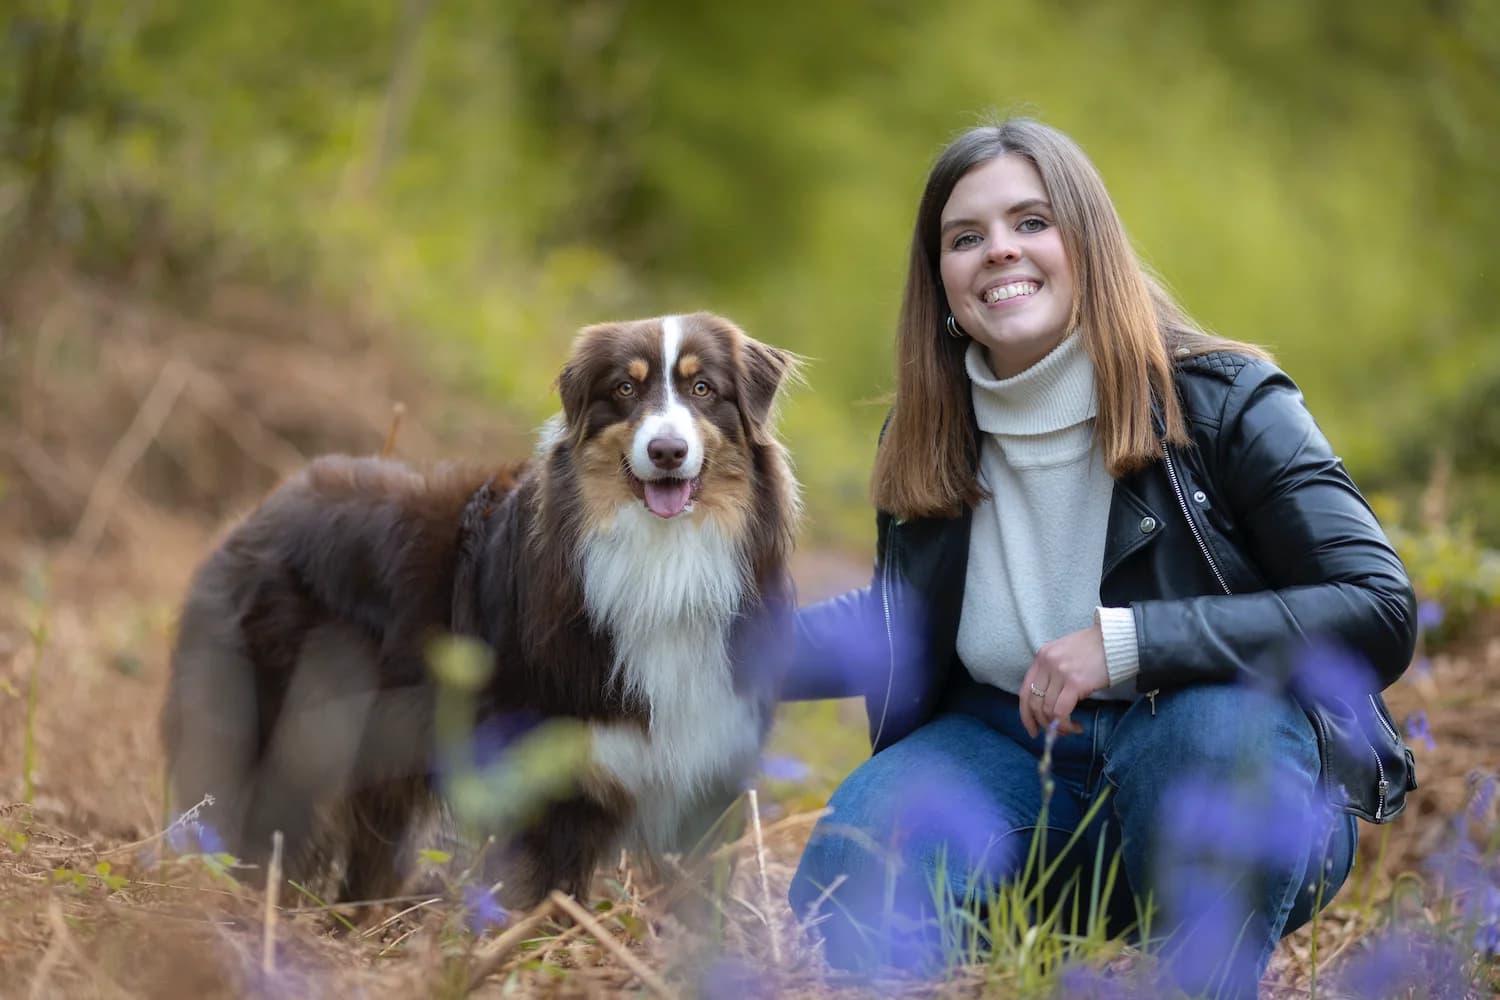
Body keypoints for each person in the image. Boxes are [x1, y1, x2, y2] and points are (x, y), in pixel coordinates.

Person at [783, 117, 1418, 996]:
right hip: (1015, 756)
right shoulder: (928, 433)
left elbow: (1378, 607)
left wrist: (1129, 644)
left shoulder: (1226, 400)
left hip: (1225, 763)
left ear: (1088, 240)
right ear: (939, 281)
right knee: (859, 873)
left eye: (1031, 222)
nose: (999, 251)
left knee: (1216, 743)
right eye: (966, 238)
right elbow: (903, 621)